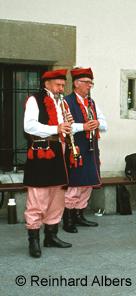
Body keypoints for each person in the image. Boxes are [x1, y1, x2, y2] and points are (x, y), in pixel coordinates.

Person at [23, 69, 72, 258]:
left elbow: (65, 128)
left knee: (58, 196)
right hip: (42, 151)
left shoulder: (62, 102)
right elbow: (29, 125)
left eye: (63, 85)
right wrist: (56, 128)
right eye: (58, 85)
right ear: (47, 84)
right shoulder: (34, 100)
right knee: (38, 196)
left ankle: (51, 236)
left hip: (60, 151)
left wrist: (73, 127)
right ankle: (33, 239)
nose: (61, 88)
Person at [62, 67, 107, 233]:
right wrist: (83, 126)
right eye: (87, 82)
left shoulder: (92, 103)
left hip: (91, 148)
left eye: (91, 83)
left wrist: (97, 123)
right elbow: (64, 126)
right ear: (76, 83)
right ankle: (68, 220)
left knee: (87, 184)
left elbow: (104, 123)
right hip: (76, 148)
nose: (89, 86)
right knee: (74, 185)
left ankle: (80, 215)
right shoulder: (66, 102)